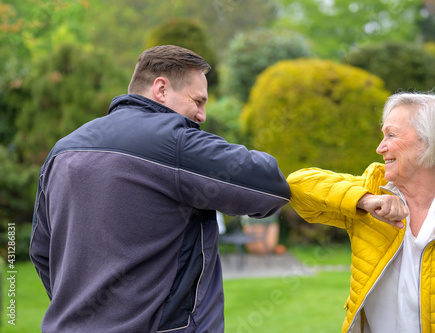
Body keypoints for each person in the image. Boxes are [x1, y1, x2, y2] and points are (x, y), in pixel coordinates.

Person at [30, 45, 290, 333]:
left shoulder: (62, 150)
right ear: (161, 89)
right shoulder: (175, 143)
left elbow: (42, 251)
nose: (202, 115)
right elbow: (269, 184)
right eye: (198, 101)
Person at [287, 92, 435, 333]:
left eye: (391, 135)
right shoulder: (368, 195)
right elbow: (296, 186)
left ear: (432, 141)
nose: (380, 148)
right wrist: (365, 201)